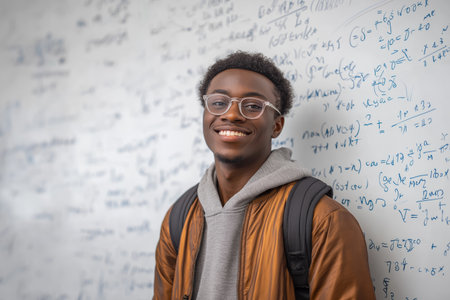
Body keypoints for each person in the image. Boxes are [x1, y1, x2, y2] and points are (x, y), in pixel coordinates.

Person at [153, 51, 375, 299]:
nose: (232, 115)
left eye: (252, 106)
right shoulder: (179, 219)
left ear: (276, 126)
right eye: (218, 102)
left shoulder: (323, 220)